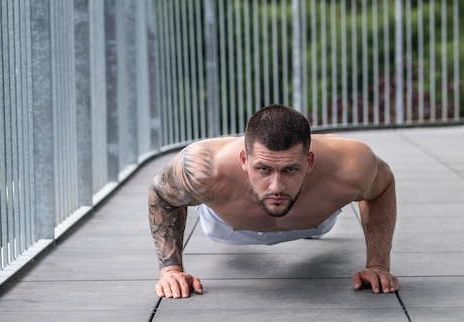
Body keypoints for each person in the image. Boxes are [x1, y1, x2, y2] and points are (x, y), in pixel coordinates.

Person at [148, 104, 398, 299]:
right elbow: (161, 194)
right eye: (264, 169)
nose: (276, 187)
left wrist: (377, 265)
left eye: (290, 170)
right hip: (227, 226)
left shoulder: (351, 165)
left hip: (315, 220)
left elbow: (382, 187)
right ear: (244, 160)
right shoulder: (205, 168)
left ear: (309, 162)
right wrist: (171, 271)